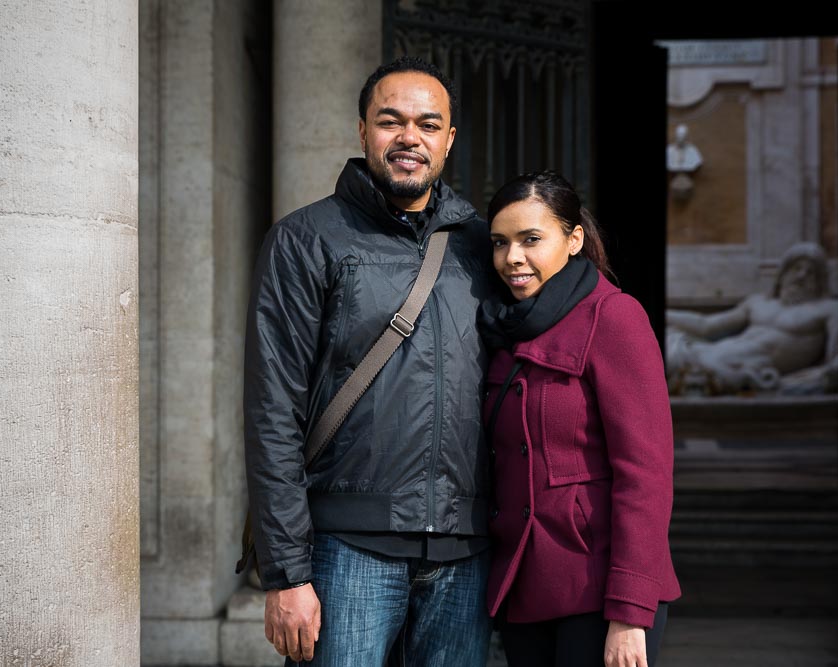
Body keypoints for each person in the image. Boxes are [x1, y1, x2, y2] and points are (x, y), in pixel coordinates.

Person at [243, 55, 495, 666]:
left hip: (465, 556)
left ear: (449, 140)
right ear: (363, 131)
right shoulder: (306, 239)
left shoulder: (482, 247)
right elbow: (272, 411)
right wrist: (285, 574)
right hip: (346, 554)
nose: (410, 137)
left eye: (429, 124)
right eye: (392, 120)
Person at [478, 170, 681, 667]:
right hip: (523, 588)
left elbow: (646, 474)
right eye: (500, 243)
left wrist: (631, 611)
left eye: (531, 240)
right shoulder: (502, 325)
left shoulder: (614, 316)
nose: (513, 258)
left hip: (599, 590)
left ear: (573, 240)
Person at [665, 241, 838, 396]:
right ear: (783, 274)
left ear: (820, 281)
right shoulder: (758, 303)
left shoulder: (828, 310)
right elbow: (706, 326)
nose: (802, 276)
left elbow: (836, 359)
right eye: (797, 268)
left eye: (811, 273)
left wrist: (817, 377)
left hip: (738, 372)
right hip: (704, 353)